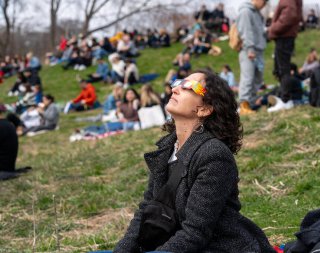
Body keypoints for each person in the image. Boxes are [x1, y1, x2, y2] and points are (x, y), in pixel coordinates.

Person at [113, 70, 274, 253]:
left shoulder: (214, 155)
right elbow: (146, 210)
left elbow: (195, 232)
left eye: (188, 86)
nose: (175, 89)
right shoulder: (167, 149)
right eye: (177, 82)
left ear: (204, 109)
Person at [267, 0, 303, 112]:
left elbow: (290, 15)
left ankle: (285, 100)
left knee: (283, 69)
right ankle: (284, 98)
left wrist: (273, 28)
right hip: (285, 37)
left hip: (284, 37)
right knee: (279, 69)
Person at [236, 0, 268, 115]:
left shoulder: (257, 13)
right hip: (249, 51)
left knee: (258, 79)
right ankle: (243, 106)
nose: (264, 4)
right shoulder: (246, 11)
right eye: (264, 1)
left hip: (258, 51)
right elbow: (246, 32)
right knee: (248, 78)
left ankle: (251, 103)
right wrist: (250, 49)